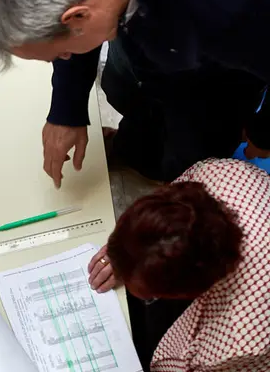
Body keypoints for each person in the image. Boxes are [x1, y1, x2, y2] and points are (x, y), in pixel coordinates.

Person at [0, 0, 270, 187]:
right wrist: (67, 109)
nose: (65, 60)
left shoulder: (225, 4)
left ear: (78, 17)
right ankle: (136, 148)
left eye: (60, 54)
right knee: (123, 91)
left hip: (213, 89)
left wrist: (264, 133)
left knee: (187, 157)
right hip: (147, 59)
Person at [87, 158, 270, 371]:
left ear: (184, 294)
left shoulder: (238, 340)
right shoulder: (221, 173)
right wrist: (124, 252)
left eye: (146, 294)